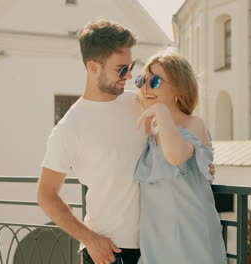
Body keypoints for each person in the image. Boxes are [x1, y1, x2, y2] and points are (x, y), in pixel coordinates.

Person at [37, 18, 216, 264]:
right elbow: (47, 195)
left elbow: (179, 131)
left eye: (131, 67)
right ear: (93, 67)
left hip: (160, 249)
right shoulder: (69, 129)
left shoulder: (139, 102)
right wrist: (89, 239)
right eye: (121, 69)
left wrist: (201, 162)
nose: (130, 75)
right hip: (110, 251)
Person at [134, 49, 227, 263]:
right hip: (156, 240)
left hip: (192, 237)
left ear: (178, 86)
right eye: (142, 81)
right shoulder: (151, 127)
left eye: (155, 81)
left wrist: (160, 111)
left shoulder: (193, 124)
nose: (146, 88)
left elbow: (176, 156)